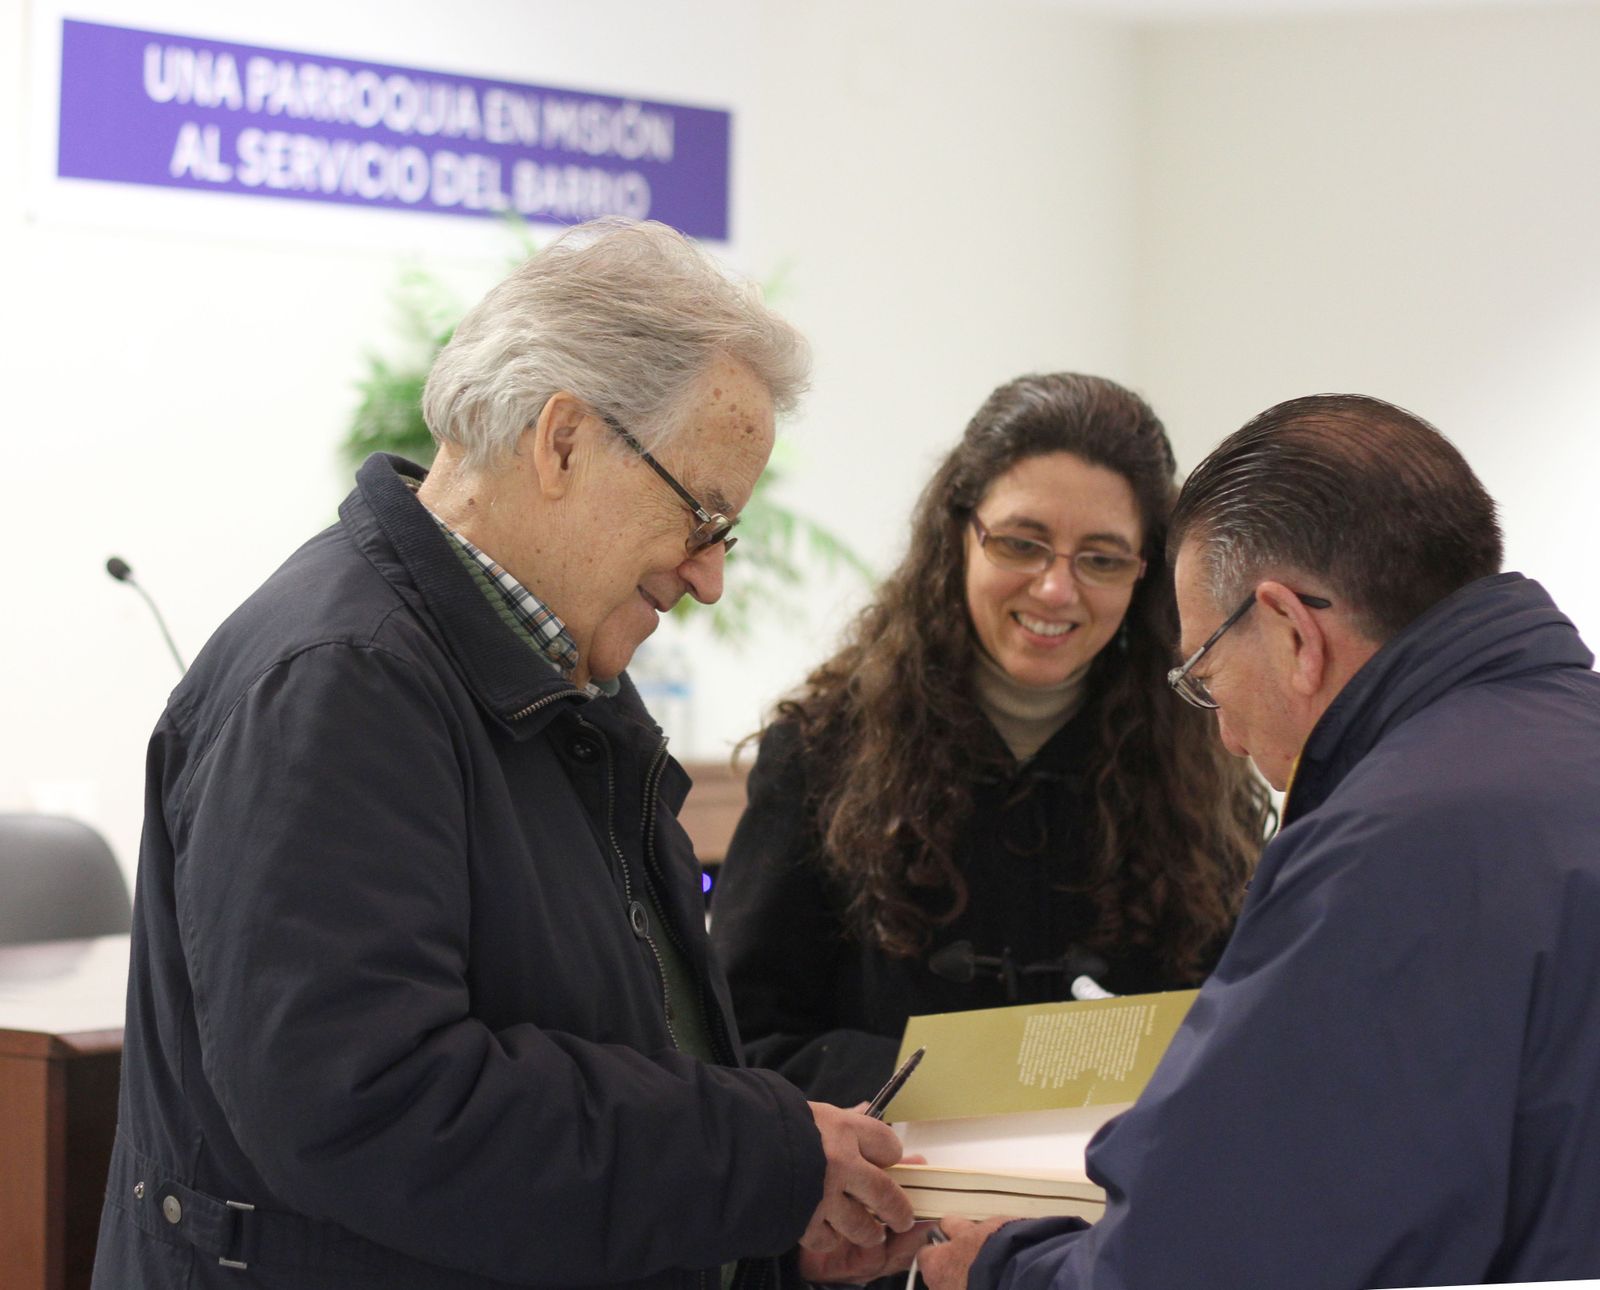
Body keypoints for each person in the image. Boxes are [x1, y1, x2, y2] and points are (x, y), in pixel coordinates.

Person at [92, 218, 923, 1290]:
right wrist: (763, 1159)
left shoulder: (545, 684)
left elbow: (611, 1042)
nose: (709, 577)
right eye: (703, 516)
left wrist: (764, 1224)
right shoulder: (340, 680)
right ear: (564, 440)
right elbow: (373, 1103)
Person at [921, 394, 1600, 1290]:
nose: (1230, 738)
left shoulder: (1383, 848)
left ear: (1290, 631)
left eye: (1206, 674)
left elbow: (1214, 1253)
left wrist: (999, 1267)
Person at [710, 373, 1273, 1107]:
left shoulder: (1207, 759)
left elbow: (1236, 1036)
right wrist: (959, 1088)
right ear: (960, 535)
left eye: (1101, 559)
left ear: (1147, 574)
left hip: (1110, 1209)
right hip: (886, 1202)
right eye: (1021, 543)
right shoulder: (822, 750)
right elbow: (740, 1039)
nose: (1053, 590)